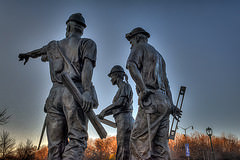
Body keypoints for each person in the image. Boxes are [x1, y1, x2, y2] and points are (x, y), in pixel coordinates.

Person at [18, 13, 98, 160]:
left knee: (55, 145)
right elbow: (87, 68)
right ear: (82, 29)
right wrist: (87, 91)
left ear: (68, 27)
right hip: (75, 93)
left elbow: (38, 52)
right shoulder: (88, 44)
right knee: (77, 140)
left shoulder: (53, 46)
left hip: (54, 96)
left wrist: (27, 54)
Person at [126, 27, 182, 160]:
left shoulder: (139, 47)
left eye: (131, 41)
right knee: (160, 147)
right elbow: (167, 83)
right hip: (165, 102)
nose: (131, 45)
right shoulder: (159, 56)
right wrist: (172, 105)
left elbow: (131, 65)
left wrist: (143, 89)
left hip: (151, 100)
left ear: (138, 38)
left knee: (138, 141)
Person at [98, 65, 134, 160]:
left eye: (112, 77)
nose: (111, 79)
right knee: (122, 148)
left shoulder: (126, 86)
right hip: (122, 122)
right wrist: (103, 114)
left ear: (117, 75)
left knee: (124, 149)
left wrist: (104, 111)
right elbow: (116, 108)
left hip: (125, 121)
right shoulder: (120, 89)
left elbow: (120, 103)